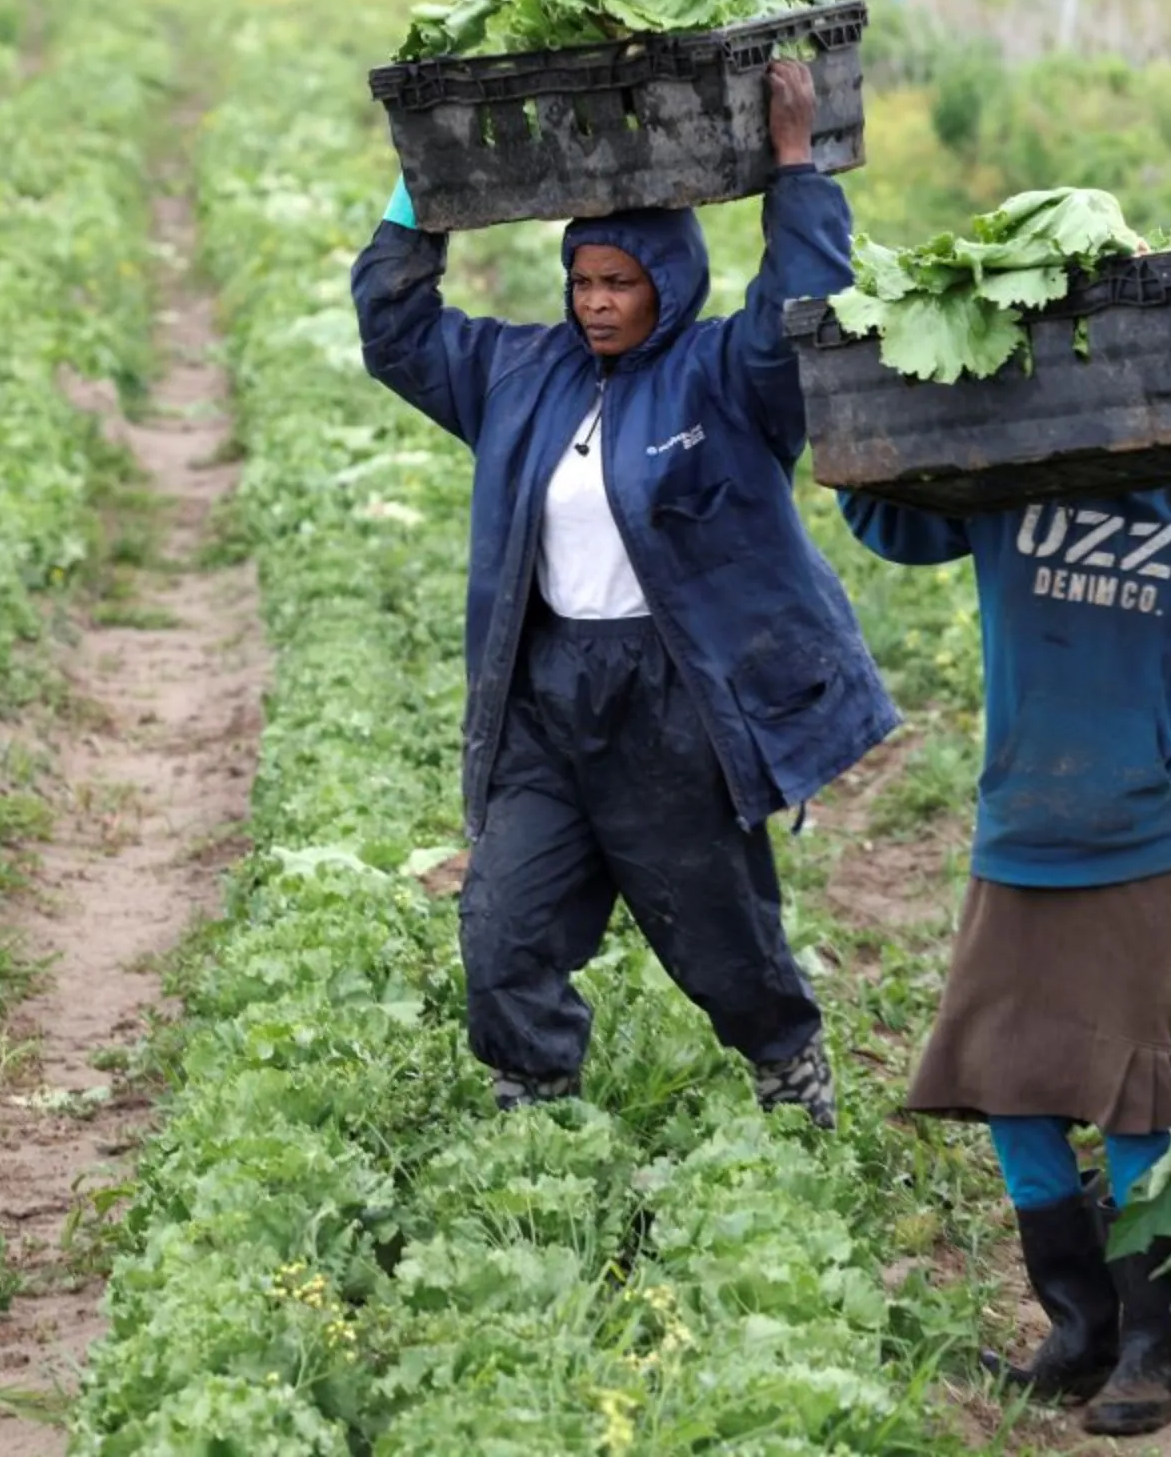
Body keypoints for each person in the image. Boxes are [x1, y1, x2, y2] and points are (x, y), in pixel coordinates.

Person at [353, 61, 897, 1129]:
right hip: (549, 699)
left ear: (669, 283)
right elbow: (399, 333)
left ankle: (789, 1068)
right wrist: (421, 189)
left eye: (620, 282)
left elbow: (804, 308)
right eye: (582, 280)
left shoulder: (725, 379)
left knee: (719, 932)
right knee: (502, 924)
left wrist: (795, 166)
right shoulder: (520, 376)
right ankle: (535, 1108)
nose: (596, 302)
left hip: (675, 698)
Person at [840, 434, 1171, 1435]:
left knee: (1132, 1094)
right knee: (1011, 1077)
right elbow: (890, 519)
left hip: (1153, 825)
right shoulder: (1020, 468)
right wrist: (877, 433)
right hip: (1027, 824)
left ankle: (1154, 1341)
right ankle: (1079, 1324)